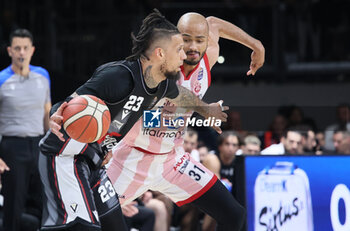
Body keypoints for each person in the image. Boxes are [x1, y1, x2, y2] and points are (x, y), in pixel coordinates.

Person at [40, 9, 227, 231]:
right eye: (178, 49)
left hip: (94, 162)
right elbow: (70, 103)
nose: (184, 55)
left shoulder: (163, 85)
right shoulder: (117, 76)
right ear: (160, 53)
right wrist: (55, 115)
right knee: (83, 228)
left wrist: (207, 110)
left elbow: (185, 97)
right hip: (65, 156)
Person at [107, 12, 264, 231]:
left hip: (172, 160)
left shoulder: (208, 55)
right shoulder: (159, 63)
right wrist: (203, 109)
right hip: (133, 157)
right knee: (90, 216)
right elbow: (171, 94)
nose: (192, 46)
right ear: (174, 38)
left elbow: (214, 24)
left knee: (234, 215)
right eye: (185, 39)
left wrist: (256, 45)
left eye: (199, 40)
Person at [0, 28, 51, 231]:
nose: (22, 52)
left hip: (39, 145)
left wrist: (52, 148)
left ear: (32, 50)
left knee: (46, 205)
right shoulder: (2, 79)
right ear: (9, 51)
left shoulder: (43, 75)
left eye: (25, 48)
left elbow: (47, 114)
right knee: (13, 208)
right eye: (17, 48)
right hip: (12, 147)